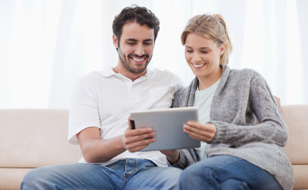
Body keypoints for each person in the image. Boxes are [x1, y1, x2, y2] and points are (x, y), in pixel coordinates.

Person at [21, 5, 183, 190]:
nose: (140, 51)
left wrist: (172, 152)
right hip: (100, 171)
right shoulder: (89, 84)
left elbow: (185, 147)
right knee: (37, 179)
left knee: (183, 181)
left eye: (147, 42)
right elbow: (90, 151)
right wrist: (124, 142)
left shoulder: (171, 82)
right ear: (116, 40)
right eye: (131, 42)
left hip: (151, 171)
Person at [171, 14, 294, 190]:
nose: (195, 58)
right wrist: (171, 153)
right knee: (229, 186)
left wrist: (219, 132)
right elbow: (187, 159)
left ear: (221, 48)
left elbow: (279, 131)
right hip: (216, 174)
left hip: (259, 163)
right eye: (189, 50)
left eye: (204, 51)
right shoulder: (181, 99)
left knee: (193, 175)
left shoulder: (247, 79)